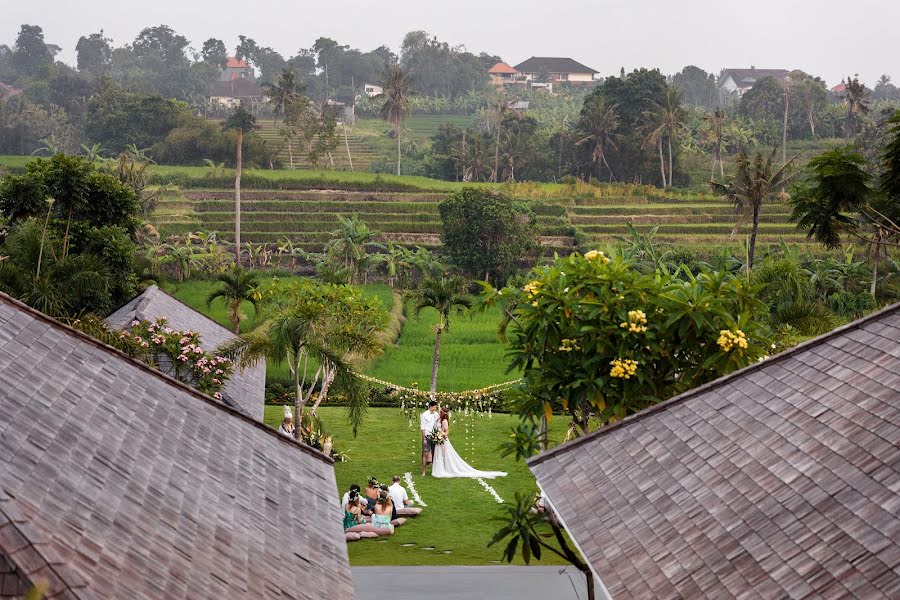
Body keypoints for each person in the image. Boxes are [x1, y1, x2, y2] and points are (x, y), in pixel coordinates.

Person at [432, 408, 507, 478]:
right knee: (440, 454)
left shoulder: (444, 421)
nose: (439, 412)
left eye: (440, 411)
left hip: (443, 439)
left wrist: (441, 435)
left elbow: (447, 431)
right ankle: (441, 468)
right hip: (439, 438)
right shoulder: (439, 419)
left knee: (444, 454)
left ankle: (444, 469)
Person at [420, 401, 440, 476]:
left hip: (435, 436)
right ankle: (424, 471)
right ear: (430, 407)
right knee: (425, 453)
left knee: (435, 453)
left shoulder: (436, 414)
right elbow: (423, 427)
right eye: (434, 407)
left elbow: (437, 424)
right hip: (427, 436)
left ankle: (434, 470)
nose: (435, 408)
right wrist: (424, 438)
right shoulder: (424, 415)